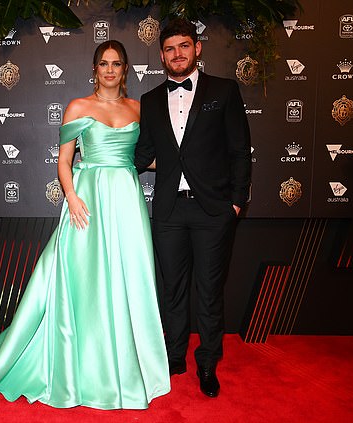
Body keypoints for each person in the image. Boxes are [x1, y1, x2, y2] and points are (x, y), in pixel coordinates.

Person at [0, 40, 170, 417]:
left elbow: (148, 158)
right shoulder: (78, 107)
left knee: (128, 278)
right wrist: (71, 196)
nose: (109, 70)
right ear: (94, 69)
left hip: (126, 199)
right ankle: (85, 364)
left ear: (126, 70)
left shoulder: (140, 110)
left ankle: (126, 362)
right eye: (103, 63)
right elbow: (64, 161)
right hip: (87, 200)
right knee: (84, 282)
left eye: (116, 64)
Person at [134, 19, 252, 398]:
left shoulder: (224, 90)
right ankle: (173, 357)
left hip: (213, 210)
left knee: (209, 290)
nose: (177, 54)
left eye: (184, 46)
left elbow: (239, 150)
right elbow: (144, 154)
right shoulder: (150, 100)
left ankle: (207, 362)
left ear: (197, 48)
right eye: (169, 49)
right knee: (172, 289)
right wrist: (99, 158)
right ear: (162, 55)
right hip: (168, 210)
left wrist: (236, 201)